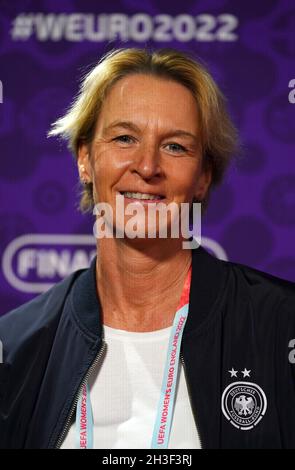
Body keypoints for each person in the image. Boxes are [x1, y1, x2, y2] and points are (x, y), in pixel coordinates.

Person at [0, 47, 295, 450]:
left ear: (203, 176)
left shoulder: (282, 325)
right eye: (124, 138)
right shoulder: (16, 345)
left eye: (175, 146)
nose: (147, 166)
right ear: (85, 158)